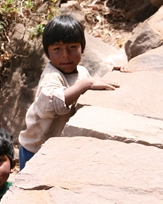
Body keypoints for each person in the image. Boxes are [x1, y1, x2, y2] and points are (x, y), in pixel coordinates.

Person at [18, 14, 122, 170]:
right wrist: (85, 84)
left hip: (57, 148)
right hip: (36, 149)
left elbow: (91, 84)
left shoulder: (81, 71)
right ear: (47, 53)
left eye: (72, 47)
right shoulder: (51, 76)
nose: (65, 54)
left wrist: (114, 70)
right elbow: (50, 104)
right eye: (57, 49)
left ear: (82, 47)